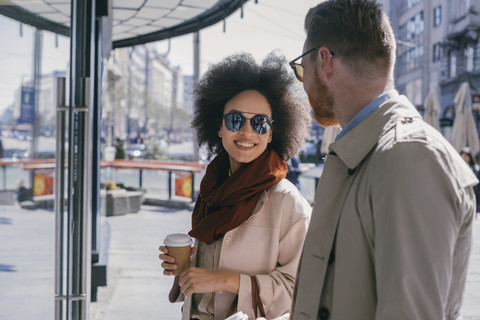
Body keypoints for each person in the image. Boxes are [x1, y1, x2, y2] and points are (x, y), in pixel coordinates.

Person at [288, 1, 478, 319]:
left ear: (324, 62)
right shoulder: (377, 151)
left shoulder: (408, 156)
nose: (302, 83)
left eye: (300, 69)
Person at [159, 52, 312, 320]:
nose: (247, 132)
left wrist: (223, 281)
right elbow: (211, 269)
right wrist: (187, 267)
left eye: (260, 123)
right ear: (219, 127)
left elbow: (301, 290)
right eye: (235, 120)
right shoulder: (211, 189)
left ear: (272, 133)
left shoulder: (288, 203)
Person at [460, 147, 480, 215]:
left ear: (469, 157)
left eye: (466, 156)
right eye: (463, 155)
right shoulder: (457, 168)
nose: (464, 157)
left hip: (472, 194)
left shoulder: (475, 169)